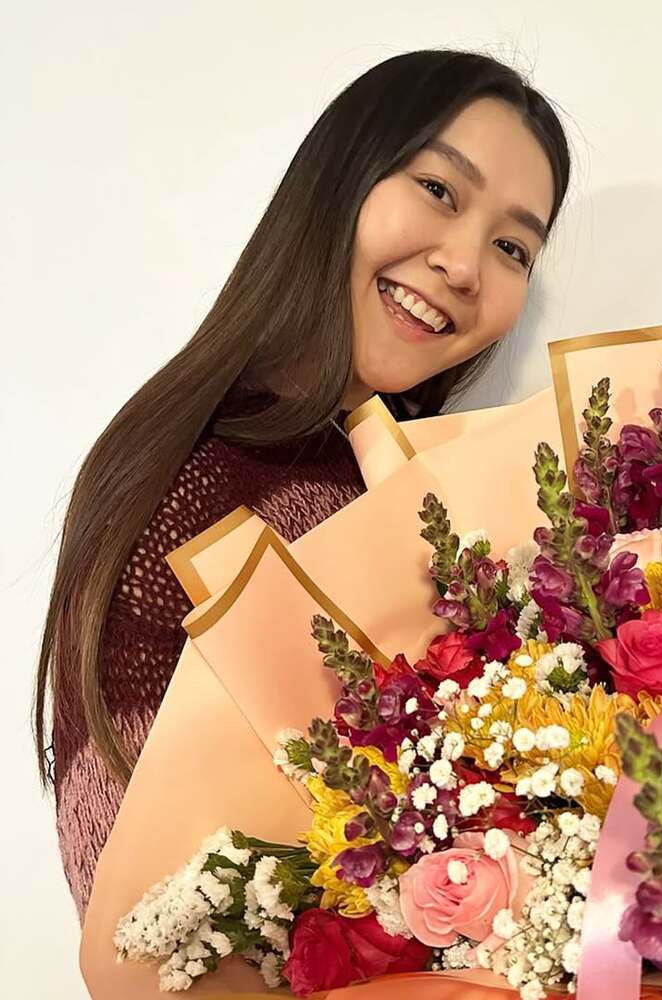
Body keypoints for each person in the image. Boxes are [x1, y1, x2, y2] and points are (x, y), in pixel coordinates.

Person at [32, 48, 571, 923]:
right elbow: (125, 884)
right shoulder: (188, 479)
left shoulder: (421, 493)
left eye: (513, 246)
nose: (467, 264)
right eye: (439, 190)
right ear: (340, 181)